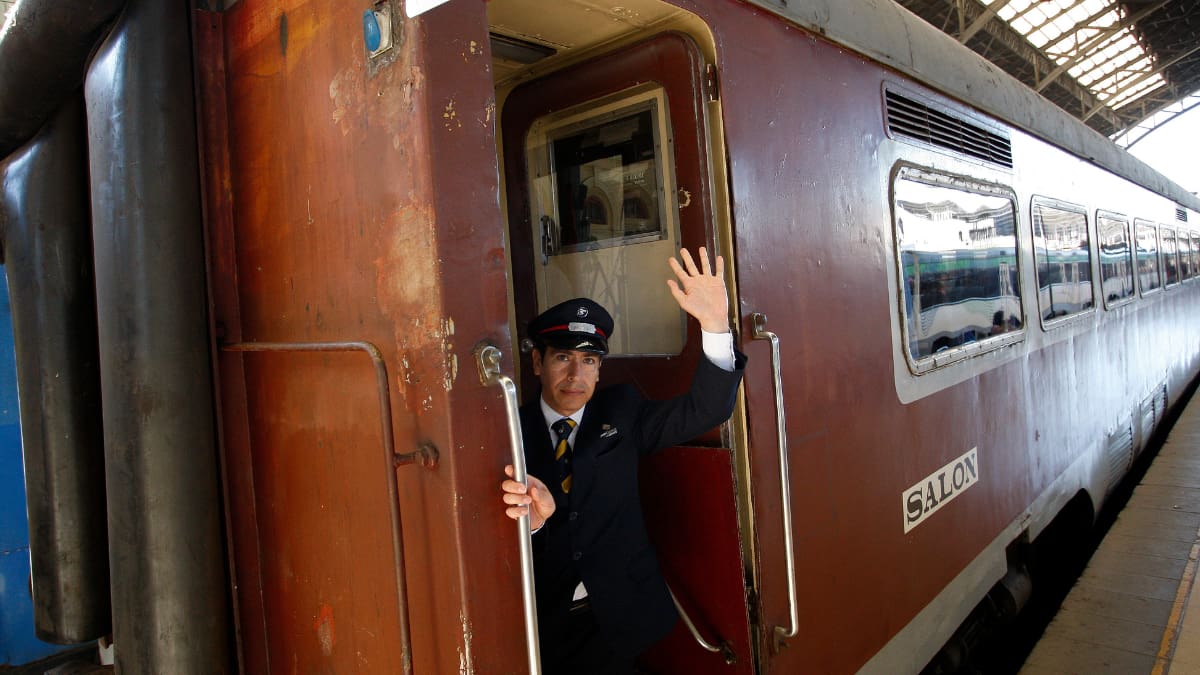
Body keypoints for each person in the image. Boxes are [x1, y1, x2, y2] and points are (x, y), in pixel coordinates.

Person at [500, 247, 745, 674]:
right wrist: (535, 524)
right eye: (562, 358)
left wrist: (714, 326)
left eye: (589, 361)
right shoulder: (507, 433)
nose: (576, 376)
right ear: (538, 362)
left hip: (619, 615)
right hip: (540, 622)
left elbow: (705, 410)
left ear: (599, 370)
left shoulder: (623, 412)